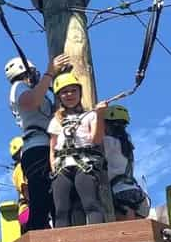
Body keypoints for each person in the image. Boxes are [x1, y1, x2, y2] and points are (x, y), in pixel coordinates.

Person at [6, 54, 70, 230]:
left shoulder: (38, 91)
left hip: (49, 146)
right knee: (41, 199)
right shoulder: (18, 87)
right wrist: (50, 73)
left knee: (57, 198)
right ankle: (38, 236)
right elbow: (31, 101)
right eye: (33, 73)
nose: (36, 76)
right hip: (37, 148)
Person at [48, 71, 108, 227]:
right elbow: (53, 146)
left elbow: (96, 139)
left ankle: (99, 237)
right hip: (63, 166)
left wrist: (100, 115)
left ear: (80, 92)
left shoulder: (90, 115)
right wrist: (53, 165)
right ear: (59, 97)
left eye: (73, 90)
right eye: (64, 92)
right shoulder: (57, 119)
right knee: (61, 209)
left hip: (85, 163)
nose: (69, 94)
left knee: (90, 204)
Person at [103, 105, 150, 219]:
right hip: (136, 193)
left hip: (118, 193)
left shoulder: (107, 142)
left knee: (125, 231)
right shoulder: (127, 143)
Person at [9, 136, 29, 232]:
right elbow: (25, 188)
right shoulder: (20, 168)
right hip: (27, 210)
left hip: (24, 213)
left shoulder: (20, 168)